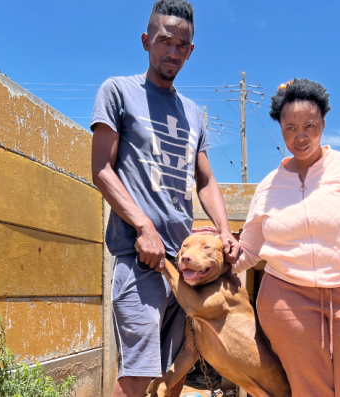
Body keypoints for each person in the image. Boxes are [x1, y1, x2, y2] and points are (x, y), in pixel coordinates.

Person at [90, 1, 241, 396]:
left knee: (172, 374)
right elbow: (102, 170)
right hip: (141, 259)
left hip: (183, 267)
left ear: (191, 51)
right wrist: (143, 226)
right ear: (146, 41)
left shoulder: (193, 113)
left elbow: (205, 179)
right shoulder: (118, 91)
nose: (172, 51)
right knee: (138, 377)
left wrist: (225, 230)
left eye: (182, 44)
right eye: (164, 41)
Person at [233, 78, 340, 397]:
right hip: (288, 300)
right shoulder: (268, 187)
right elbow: (247, 251)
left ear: (323, 123)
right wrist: (210, 254)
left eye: (310, 125)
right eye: (290, 128)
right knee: (309, 392)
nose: (300, 136)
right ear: (281, 129)